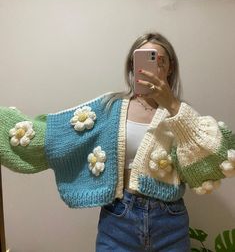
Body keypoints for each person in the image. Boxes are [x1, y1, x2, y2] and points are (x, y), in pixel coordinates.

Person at [0, 32, 234, 252]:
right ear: (132, 65)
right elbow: (57, 136)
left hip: (170, 221)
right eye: (143, 59)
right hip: (119, 219)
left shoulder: (182, 115)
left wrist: (172, 105)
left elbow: (214, 161)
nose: (154, 65)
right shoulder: (110, 107)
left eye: (160, 60)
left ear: (170, 66)